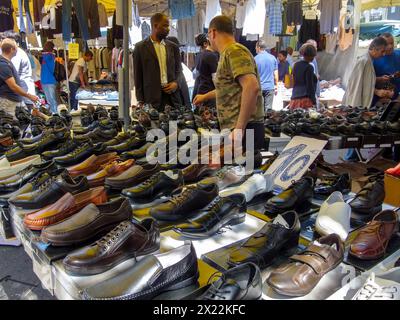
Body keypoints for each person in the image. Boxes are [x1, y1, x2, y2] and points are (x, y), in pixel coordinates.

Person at [193, 15, 265, 152]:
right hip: (240, 128)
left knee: (241, 171)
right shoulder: (228, 53)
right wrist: (205, 96)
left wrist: (239, 129)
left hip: (245, 128)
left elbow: (251, 87)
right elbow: (229, 88)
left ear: (213, 32)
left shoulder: (234, 51)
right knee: (234, 172)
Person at [133, 13, 183, 111]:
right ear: (155, 26)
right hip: (151, 99)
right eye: (165, 25)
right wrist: (140, 100)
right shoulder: (140, 48)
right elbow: (137, 76)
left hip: (172, 97)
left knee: (172, 125)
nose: (168, 29)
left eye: (168, 25)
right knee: (153, 125)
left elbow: (179, 70)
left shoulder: (173, 47)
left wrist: (176, 83)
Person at [342, 37, 387, 108]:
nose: (384, 54)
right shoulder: (364, 61)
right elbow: (356, 85)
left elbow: (366, 80)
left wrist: (380, 79)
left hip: (361, 105)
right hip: (356, 104)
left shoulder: (369, 60)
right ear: (375, 49)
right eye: (382, 51)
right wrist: (355, 108)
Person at [0, 39, 38, 117]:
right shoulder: (3, 65)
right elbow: (13, 86)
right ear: (11, 49)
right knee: (9, 124)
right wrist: (29, 96)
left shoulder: (7, 62)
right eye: (16, 48)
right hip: (8, 101)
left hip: (12, 100)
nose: (18, 50)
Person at [192, 33, 219, 108]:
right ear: (206, 43)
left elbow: (195, 75)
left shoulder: (199, 55)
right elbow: (216, 79)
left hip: (199, 91)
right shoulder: (211, 56)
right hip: (208, 94)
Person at [166, 36, 192, 109]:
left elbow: (184, 89)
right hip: (176, 104)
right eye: (177, 49)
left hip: (182, 104)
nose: (179, 51)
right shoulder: (169, 65)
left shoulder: (177, 63)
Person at [289, 44, 318, 110]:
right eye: (313, 56)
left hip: (295, 98)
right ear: (311, 56)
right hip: (305, 100)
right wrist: (314, 101)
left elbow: (293, 81)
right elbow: (309, 86)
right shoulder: (309, 67)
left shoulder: (296, 65)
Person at [373, 33, 400, 101]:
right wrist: (380, 79)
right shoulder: (375, 59)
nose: (390, 46)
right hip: (382, 98)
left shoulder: (398, 54)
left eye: (392, 43)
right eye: (387, 44)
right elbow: (367, 81)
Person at [254, 40, 278, 112]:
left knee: (259, 111)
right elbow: (275, 74)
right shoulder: (273, 58)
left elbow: (253, 75)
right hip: (270, 87)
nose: (255, 49)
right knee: (268, 111)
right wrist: (276, 86)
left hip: (259, 88)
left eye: (255, 47)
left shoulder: (255, 59)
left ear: (258, 47)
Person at [41, 41, 58, 115]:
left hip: (50, 81)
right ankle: (53, 113)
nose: (44, 47)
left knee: (52, 99)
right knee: (49, 99)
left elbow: (53, 69)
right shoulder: (45, 56)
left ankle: (55, 114)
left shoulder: (50, 56)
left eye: (46, 46)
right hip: (45, 81)